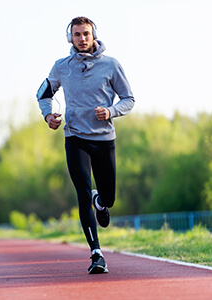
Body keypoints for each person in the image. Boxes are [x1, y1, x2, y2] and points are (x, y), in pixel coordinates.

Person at [36, 16, 135, 274]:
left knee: (109, 198)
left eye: (86, 34)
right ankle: (96, 254)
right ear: (71, 37)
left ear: (94, 36)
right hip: (75, 138)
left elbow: (129, 98)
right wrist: (48, 115)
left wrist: (112, 111)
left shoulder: (111, 65)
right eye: (77, 34)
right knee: (82, 192)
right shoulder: (62, 67)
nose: (81, 39)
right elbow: (43, 93)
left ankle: (100, 202)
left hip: (103, 139)